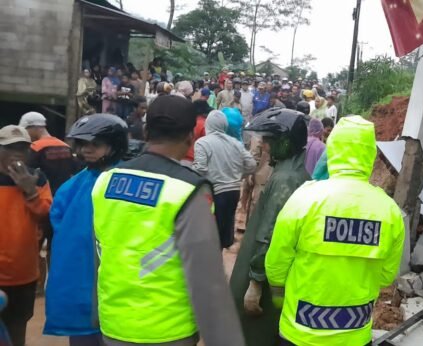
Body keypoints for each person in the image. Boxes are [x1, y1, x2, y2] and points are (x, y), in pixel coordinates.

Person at [90, 95, 245, 345]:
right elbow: (206, 279)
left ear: (146, 131)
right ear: (190, 137)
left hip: (113, 324)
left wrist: (97, 313)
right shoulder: (187, 190)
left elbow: (100, 252)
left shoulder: (106, 181)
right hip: (167, 329)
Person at [265, 116, 405, 345]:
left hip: (300, 332)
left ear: (333, 151)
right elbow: (386, 276)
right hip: (355, 334)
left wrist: (281, 297)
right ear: (370, 155)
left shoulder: (306, 198)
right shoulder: (389, 211)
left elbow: (276, 266)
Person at [44, 114, 128, 345]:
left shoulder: (127, 182)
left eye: (95, 144)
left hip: (118, 285)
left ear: (115, 145)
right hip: (80, 284)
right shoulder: (71, 187)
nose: (86, 150)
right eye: (82, 144)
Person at [230, 108, 310, 346]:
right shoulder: (290, 172)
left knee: (254, 333)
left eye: (268, 140)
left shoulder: (286, 179)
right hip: (268, 272)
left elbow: (270, 233)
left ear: (284, 143)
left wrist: (255, 282)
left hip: (263, 278)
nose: (264, 146)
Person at [0, 125, 53, 346]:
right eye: (10, 148)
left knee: (17, 329)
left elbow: (47, 215)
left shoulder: (38, 179)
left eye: (22, 148)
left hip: (23, 274)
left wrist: (30, 191)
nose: (17, 154)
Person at [193, 110, 257, 248]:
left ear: (208, 124)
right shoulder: (235, 143)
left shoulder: (202, 143)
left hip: (214, 193)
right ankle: (219, 256)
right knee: (224, 231)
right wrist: (238, 175)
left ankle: (209, 259)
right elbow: (252, 165)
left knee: (210, 232)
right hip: (234, 192)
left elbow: (200, 170)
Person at [20, 112, 79, 195]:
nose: (25, 134)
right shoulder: (66, 147)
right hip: (64, 194)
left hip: (43, 196)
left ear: (34, 127)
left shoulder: (34, 148)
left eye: (26, 130)